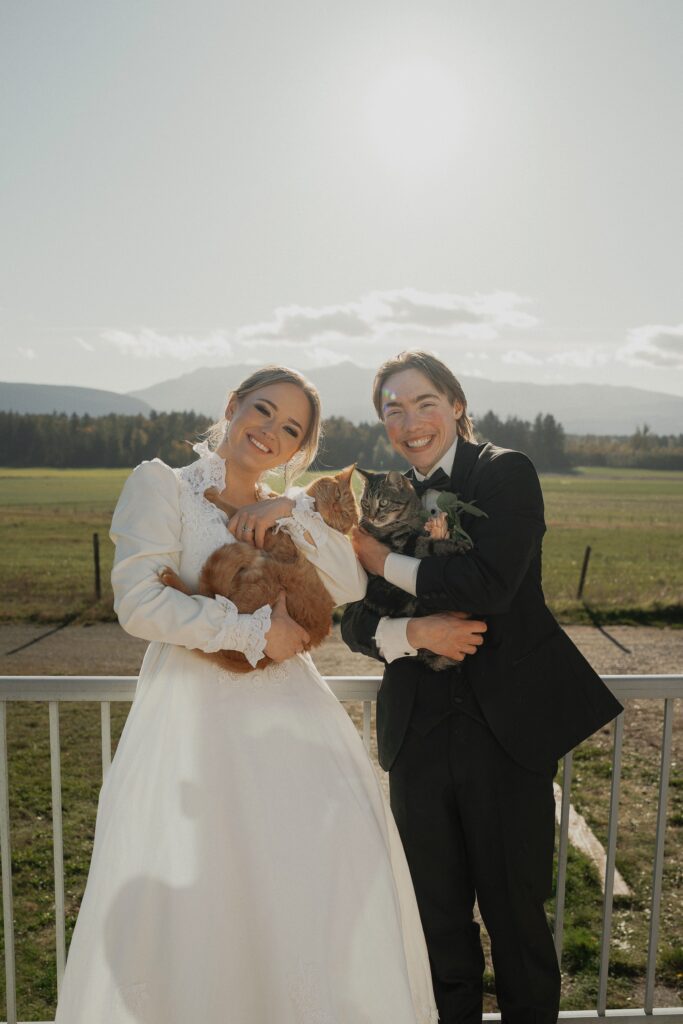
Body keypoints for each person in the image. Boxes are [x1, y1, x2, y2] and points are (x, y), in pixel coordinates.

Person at [55, 366, 437, 1024]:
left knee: (312, 884)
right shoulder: (162, 486)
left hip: (294, 725)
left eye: (289, 429)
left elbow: (346, 582)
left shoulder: (282, 507)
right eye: (262, 410)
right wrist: (255, 632)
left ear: (297, 451)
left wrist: (290, 506)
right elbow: (139, 603)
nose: (269, 431)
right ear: (232, 407)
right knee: (204, 895)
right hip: (194, 719)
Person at [341, 350, 623, 1024]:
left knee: (517, 926)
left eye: (424, 403)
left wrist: (383, 560)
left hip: (505, 738)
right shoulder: (377, 496)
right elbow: (352, 619)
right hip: (414, 740)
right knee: (436, 929)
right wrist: (411, 636)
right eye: (393, 410)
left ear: (456, 405)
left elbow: (491, 586)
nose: (410, 422)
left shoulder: (504, 473)